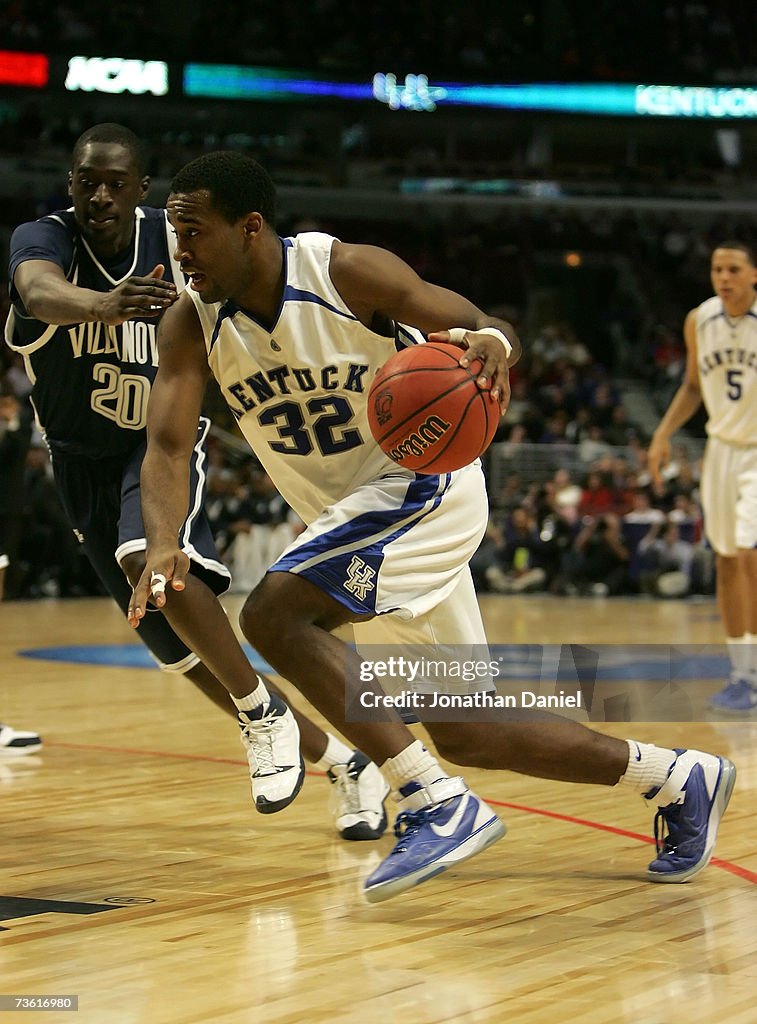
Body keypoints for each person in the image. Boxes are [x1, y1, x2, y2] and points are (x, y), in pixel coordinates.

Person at [129, 151, 736, 903]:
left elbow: (479, 323)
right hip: (358, 524)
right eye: (173, 233)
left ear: (249, 227)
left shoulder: (343, 272)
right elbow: (164, 444)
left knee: (273, 613)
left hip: (422, 486)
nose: (179, 251)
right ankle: (678, 778)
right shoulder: (192, 323)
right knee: (468, 728)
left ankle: (431, 801)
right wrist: (163, 541)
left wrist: (494, 346)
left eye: (192, 232)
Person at [4, 123, 388, 839]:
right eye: (88, 180)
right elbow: (37, 290)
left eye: (117, 182)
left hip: (160, 448)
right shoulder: (43, 239)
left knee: (148, 562)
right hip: (77, 462)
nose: (101, 195)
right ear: (69, 185)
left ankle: (268, 714)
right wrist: (103, 304)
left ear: (141, 187)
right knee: (180, 651)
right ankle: (341, 759)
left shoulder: (179, 241)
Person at [648, 241, 757, 714]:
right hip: (721, 450)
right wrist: (663, 433)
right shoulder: (700, 320)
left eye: (733, 269)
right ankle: (742, 675)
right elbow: (693, 385)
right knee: (728, 561)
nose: (724, 277)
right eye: (717, 269)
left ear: (753, 274)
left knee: (751, 554)